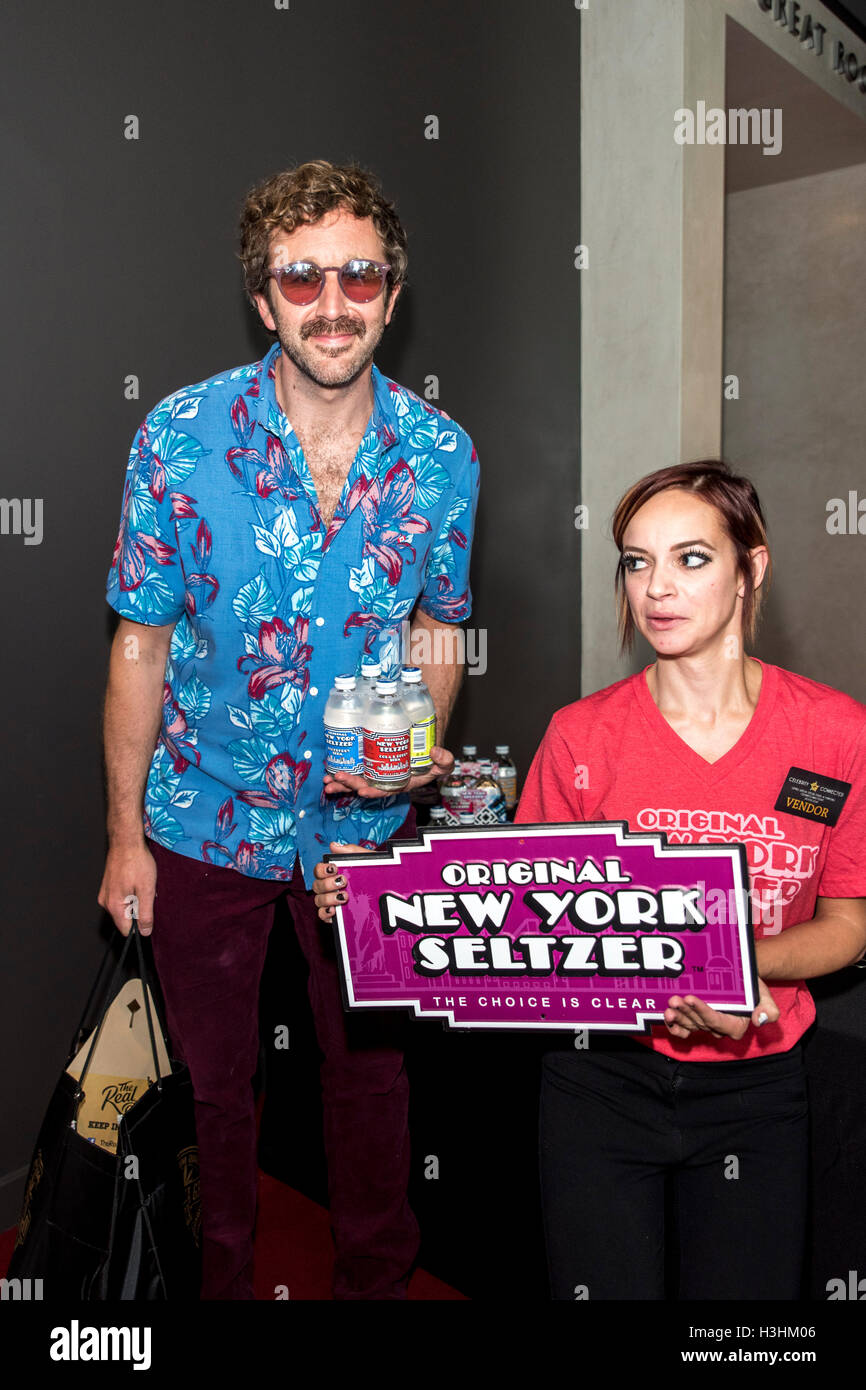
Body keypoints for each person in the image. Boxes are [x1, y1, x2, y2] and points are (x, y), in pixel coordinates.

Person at [97, 159, 480, 1301]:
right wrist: (124, 836)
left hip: (363, 830)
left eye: (357, 274)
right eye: (299, 277)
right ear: (263, 301)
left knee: (371, 1080)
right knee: (213, 1089)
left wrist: (411, 758)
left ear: (391, 293)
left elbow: (442, 628)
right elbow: (137, 643)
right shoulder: (180, 432)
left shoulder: (442, 454)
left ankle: (374, 1278)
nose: (331, 301)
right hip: (203, 817)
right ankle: (218, 1285)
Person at [514, 460, 866, 1300]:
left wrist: (737, 963)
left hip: (759, 1086)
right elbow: (525, 929)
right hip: (601, 1082)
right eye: (637, 562)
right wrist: (375, 906)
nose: (657, 589)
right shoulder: (579, 737)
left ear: (753, 567)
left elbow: (850, 925)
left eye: (691, 559)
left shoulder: (834, 734)